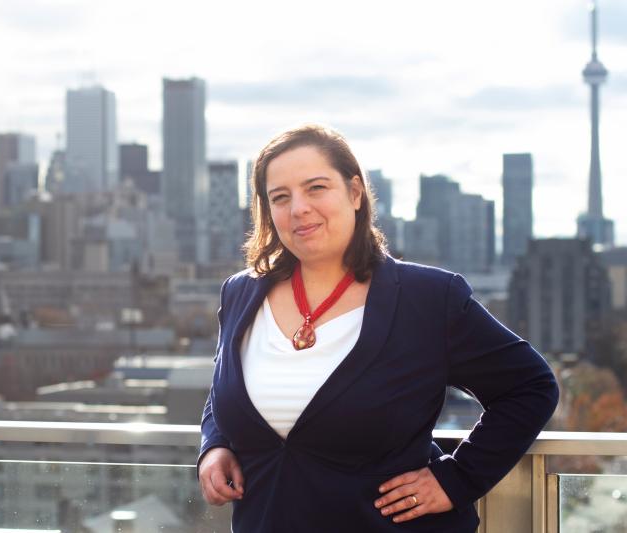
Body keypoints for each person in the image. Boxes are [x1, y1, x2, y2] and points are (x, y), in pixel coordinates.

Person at [197, 124, 558, 532]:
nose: (298, 208)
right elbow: (223, 389)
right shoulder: (241, 293)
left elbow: (530, 386)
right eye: (280, 197)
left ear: (354, 193)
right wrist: (215, 444)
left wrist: (458, 479)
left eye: (316, 188)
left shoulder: (427, 298)